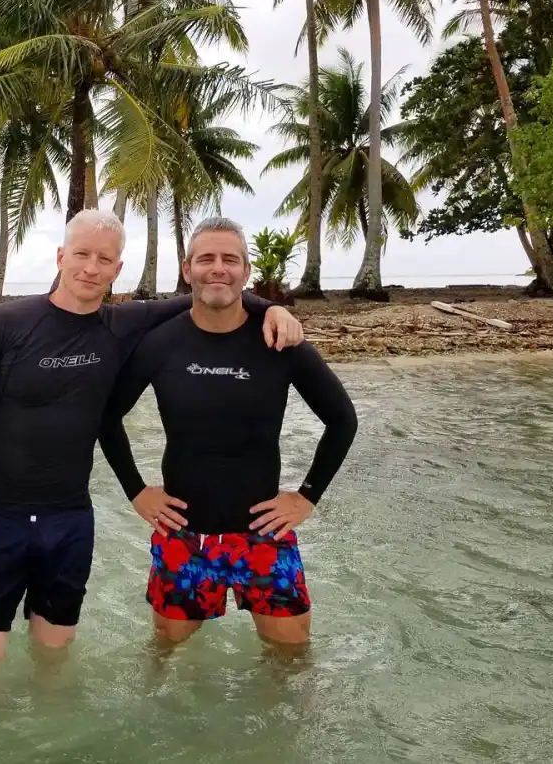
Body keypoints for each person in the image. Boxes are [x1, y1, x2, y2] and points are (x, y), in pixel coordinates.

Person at [0, 209, 304, 665]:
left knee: (55, 655)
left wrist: (275, 308)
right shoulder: (6, 324)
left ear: (118, 269)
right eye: (82, 254)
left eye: (104, 259)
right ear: (60, 256)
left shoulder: (122, 325)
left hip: (70, 521)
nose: (91, 267)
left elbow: (213, 297)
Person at [99, 217, 358, 647]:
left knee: (291, 662)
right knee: (167, 664)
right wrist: (136, 490)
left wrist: (306, 497)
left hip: (264, 535)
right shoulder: (159, 344)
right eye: (206, 259)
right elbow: (107, 416)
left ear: (245, 272)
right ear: (188, 270)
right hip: (183, 535)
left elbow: (343, 420)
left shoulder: (279, 341)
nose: (218, 268)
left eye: (229, 260)